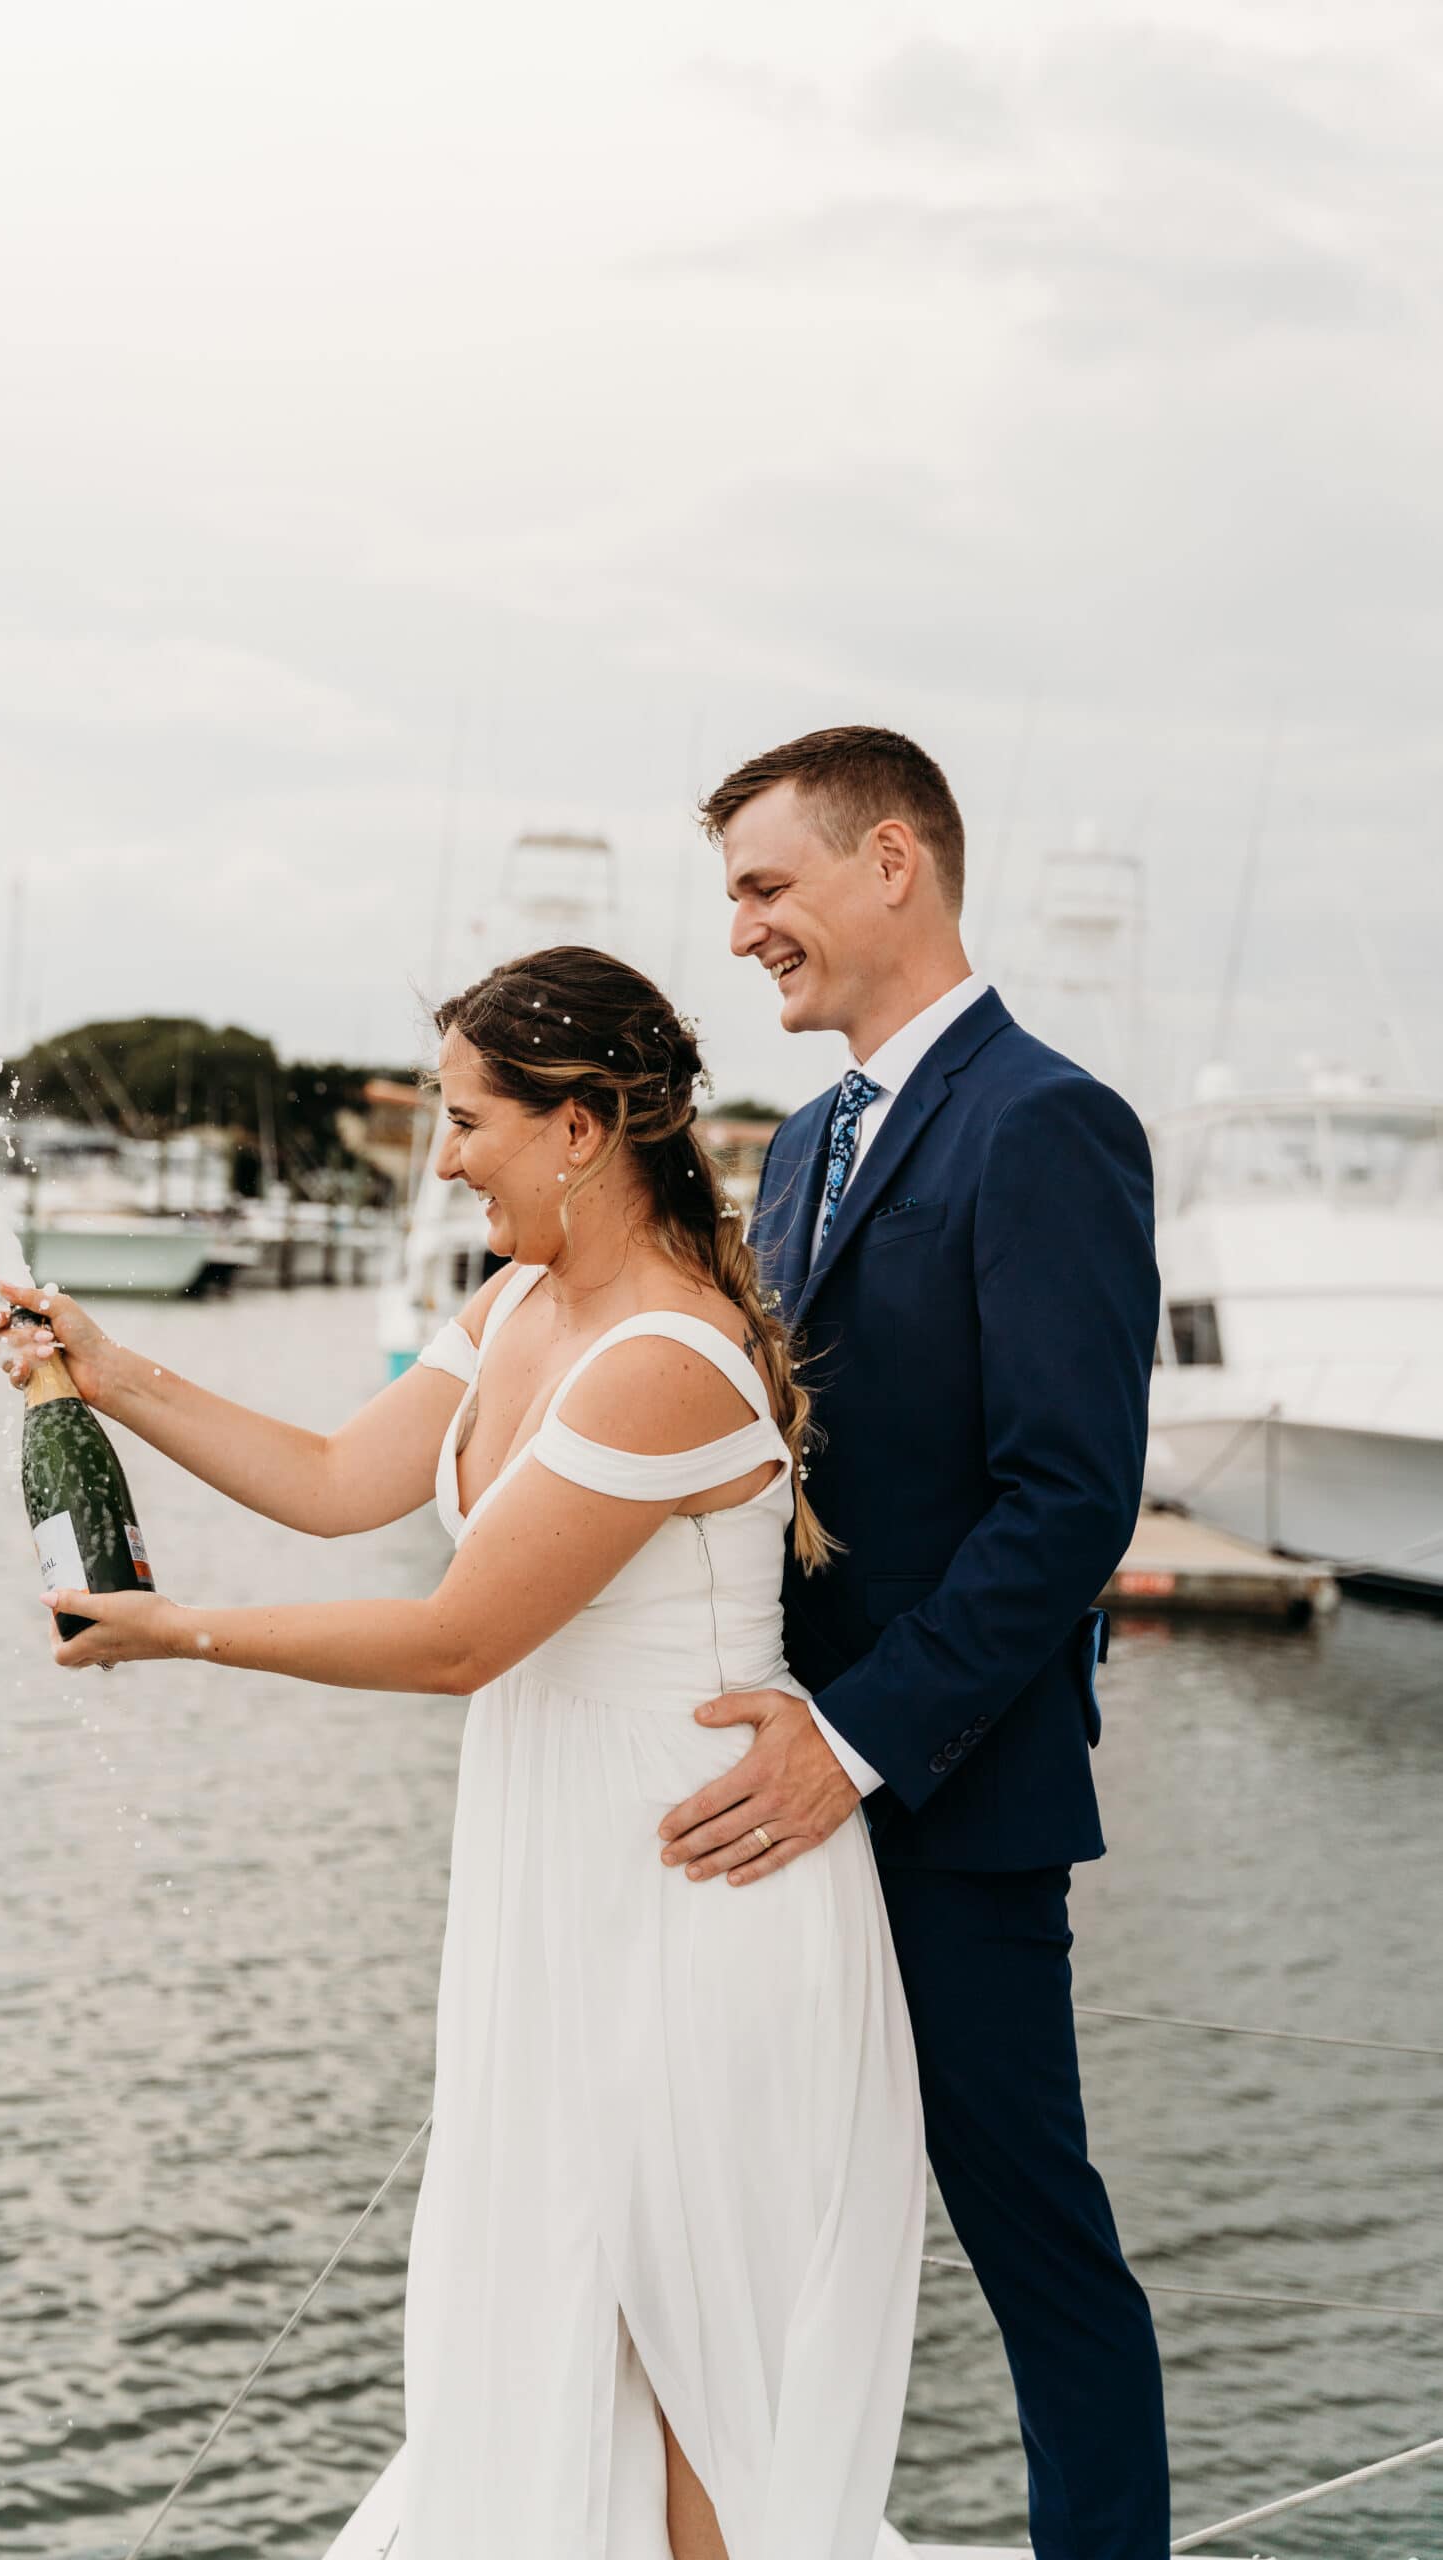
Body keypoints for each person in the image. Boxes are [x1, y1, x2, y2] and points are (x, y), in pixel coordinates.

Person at [0, 945, 924, 2560]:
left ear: (580, 1131)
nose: (442, 1155)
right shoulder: (513, 1306)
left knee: (692, 2370)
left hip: (698, 1900)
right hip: (565, 1904)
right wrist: (111, 1368)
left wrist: (176, 1630)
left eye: (466, 1117)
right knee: (567, 2330)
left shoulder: (660, 1361)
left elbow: (459, 1641)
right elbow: (346, 1476)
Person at [658, 726, 1170, 2558]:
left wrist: (852, 1743)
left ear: (894, 864)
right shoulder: (802, 1146)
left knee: (1030, 2227)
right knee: (752, 2210)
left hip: (944, 1801)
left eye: (766, 888)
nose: (742, 934)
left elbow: (1066, 1501)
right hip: (770, 1790)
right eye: (733, 897)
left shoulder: (1048, 1123)